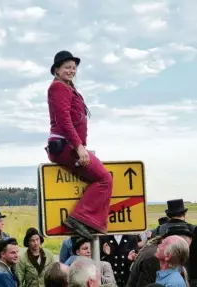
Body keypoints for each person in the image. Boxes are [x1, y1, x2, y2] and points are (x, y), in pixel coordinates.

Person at [46, 50, 113, 239]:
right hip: (65, 145)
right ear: (56, 70)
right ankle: (80, 218)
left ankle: (87, 222)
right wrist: (78, 146)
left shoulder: (69, 88)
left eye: (74, 68)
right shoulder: (57, 88)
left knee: (99, 177)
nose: (71, 70)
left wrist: (82, 145)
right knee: (104, 179)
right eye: (67, 67)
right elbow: (63, 121)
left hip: (71, 145)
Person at [126, 225, 193, 287]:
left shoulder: (171, 283)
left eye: (163, 244)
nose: (159, 246)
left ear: (168, 256)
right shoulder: (163, 274)